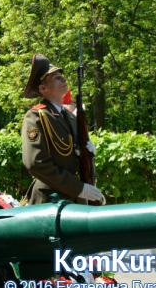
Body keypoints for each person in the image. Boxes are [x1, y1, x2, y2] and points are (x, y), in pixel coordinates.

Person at [21, 54, 105, 205]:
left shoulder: (71, 118)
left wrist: (88, 153)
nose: (64, 79)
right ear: (43, 88)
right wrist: (78, 188)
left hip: (74, 198)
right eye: (56, 78)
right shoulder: (36, 116)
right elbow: (35, 162)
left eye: (62, 76)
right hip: (50, 199)